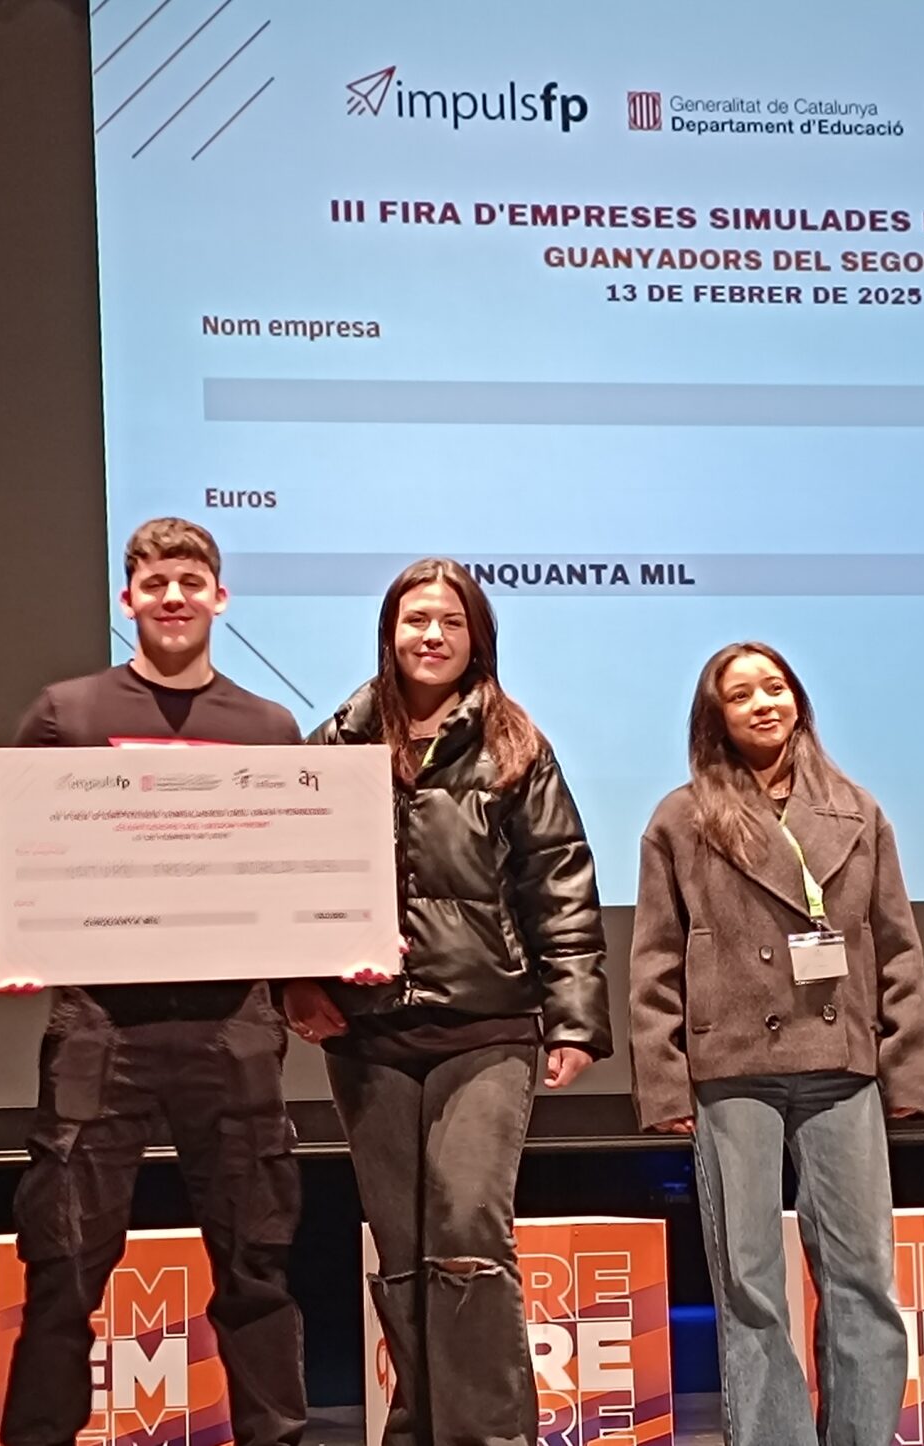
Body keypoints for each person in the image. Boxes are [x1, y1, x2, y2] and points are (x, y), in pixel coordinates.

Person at [0, 519, 312, 1446]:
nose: (174, 597)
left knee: (256, 1267)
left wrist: (338, 949)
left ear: (220, 598)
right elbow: (12, 848)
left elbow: (300, 869)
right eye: (155, 583)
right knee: (62, 1268)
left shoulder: (269, 728)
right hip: (102, 1024)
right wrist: (10, 937)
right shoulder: (66, 715)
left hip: (235, 1023)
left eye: (190, 582)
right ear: (126, 598)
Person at [284, 557, 612, 1446]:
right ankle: (420, 1428)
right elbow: (287, 877)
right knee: (402, 1251)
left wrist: (576, 1020)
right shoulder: (337, 742)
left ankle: (489, 1435)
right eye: (416, 619)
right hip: (369, 1036)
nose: (431, 635)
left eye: (451, 622)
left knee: (466, 1232)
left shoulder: (516, 746)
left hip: (488, 1028)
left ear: (477, 640)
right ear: (389, 632)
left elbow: (560, 883)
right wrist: (295, 984)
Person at [630, 641, 924, 1446]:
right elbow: (654, 959)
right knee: (750, 1284)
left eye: (775, 688)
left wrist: (907, 1069)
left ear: (798, 700)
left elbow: (896, 945)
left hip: (842, 1065)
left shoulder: (857, 811)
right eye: (742, 695)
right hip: (732, 1067)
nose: (763, 704)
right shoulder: (682, 818)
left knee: (863, 1278)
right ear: (716, 717)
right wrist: (663, 1081)